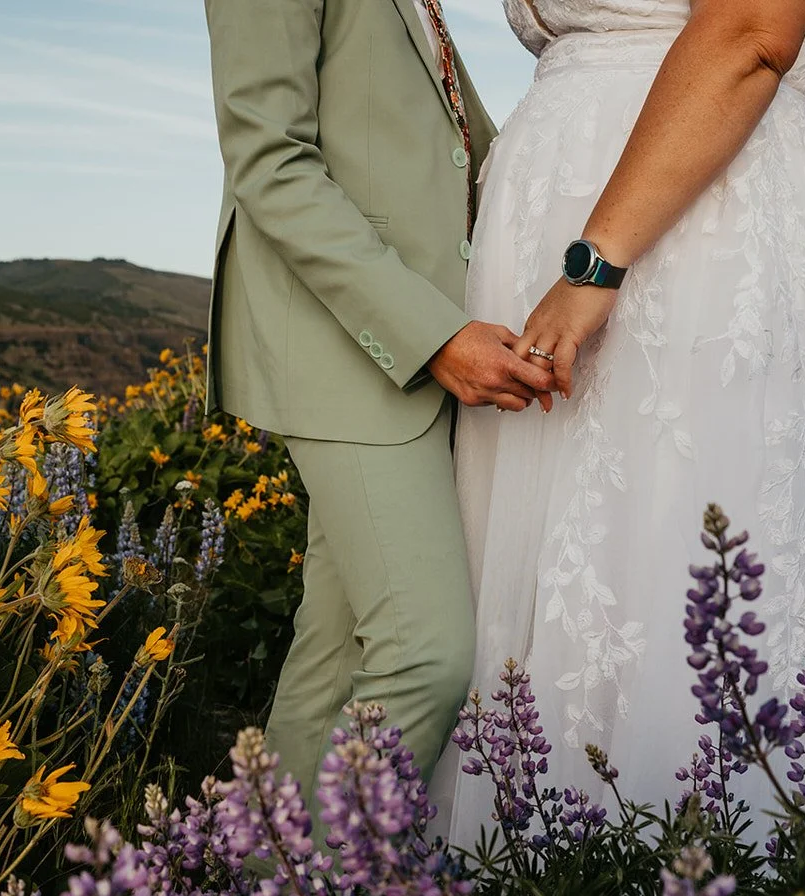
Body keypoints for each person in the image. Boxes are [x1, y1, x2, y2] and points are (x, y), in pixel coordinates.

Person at [429, 0, 805, 839]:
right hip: (576, 212)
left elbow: (751, 28)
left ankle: (708, 876)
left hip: (686, 227)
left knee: (695, 556)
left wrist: (595, 265)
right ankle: (543, 873)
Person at [203, 0, 554, 812]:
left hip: (397, 335)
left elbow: (449, 144)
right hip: (346, 339)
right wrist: (433, 335)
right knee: (423, 656)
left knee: (330, 664)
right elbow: (267, 160)